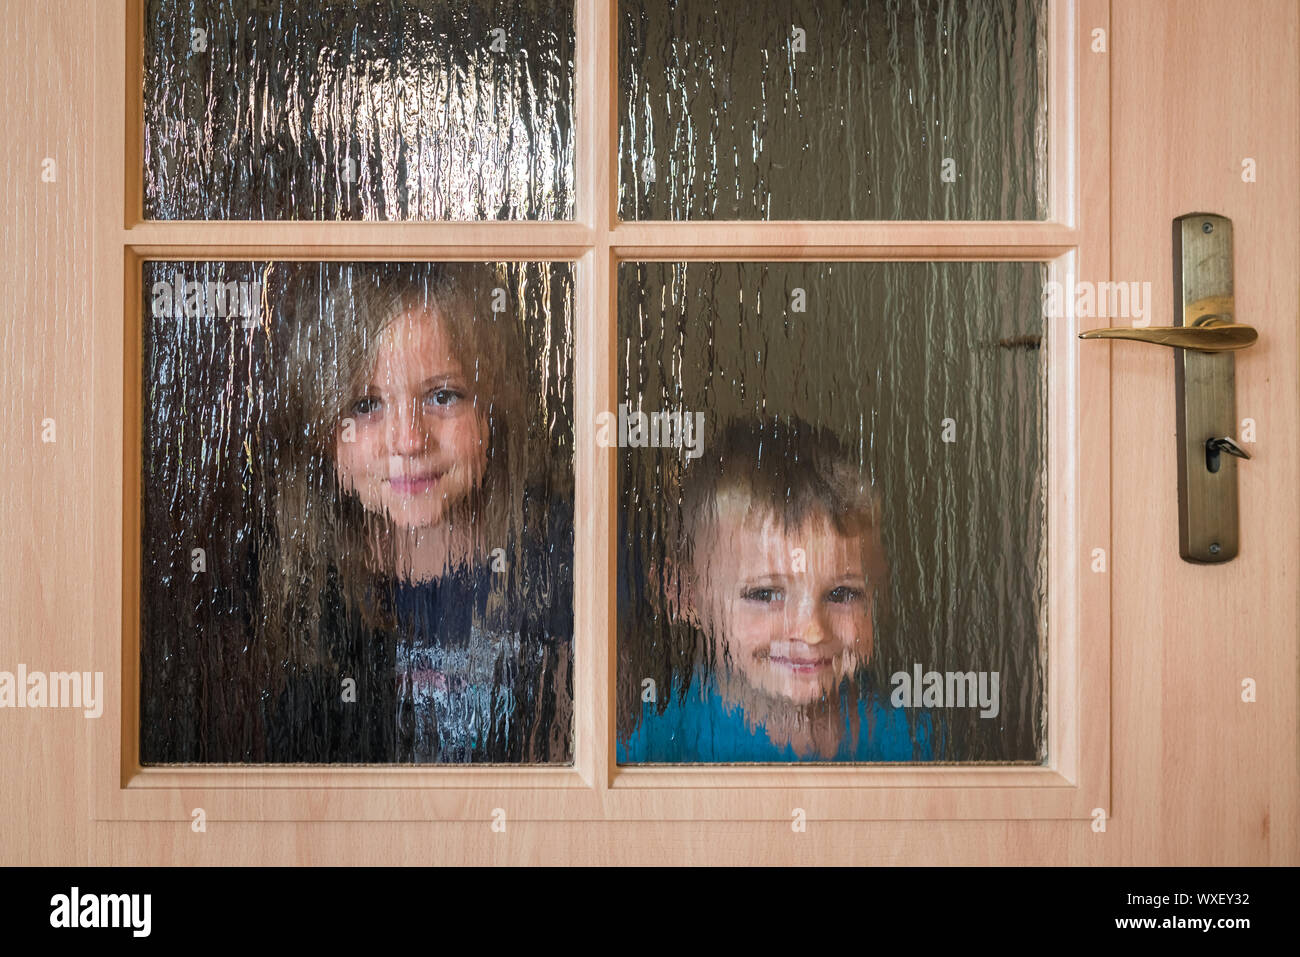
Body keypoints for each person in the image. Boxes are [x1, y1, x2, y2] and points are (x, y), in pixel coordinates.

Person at [256, 261, 573, 764]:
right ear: (319, 428)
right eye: (364, 405)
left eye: (443, 396)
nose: (408, 440)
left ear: (497, 412)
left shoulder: (559, 553)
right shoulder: (300, 574)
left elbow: (573, 778)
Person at [618, 416, 935, 762]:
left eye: (842, 593)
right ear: (682, 594)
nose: (812, 631)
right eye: (765, 594)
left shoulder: (910, 735)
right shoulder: (649, 744)